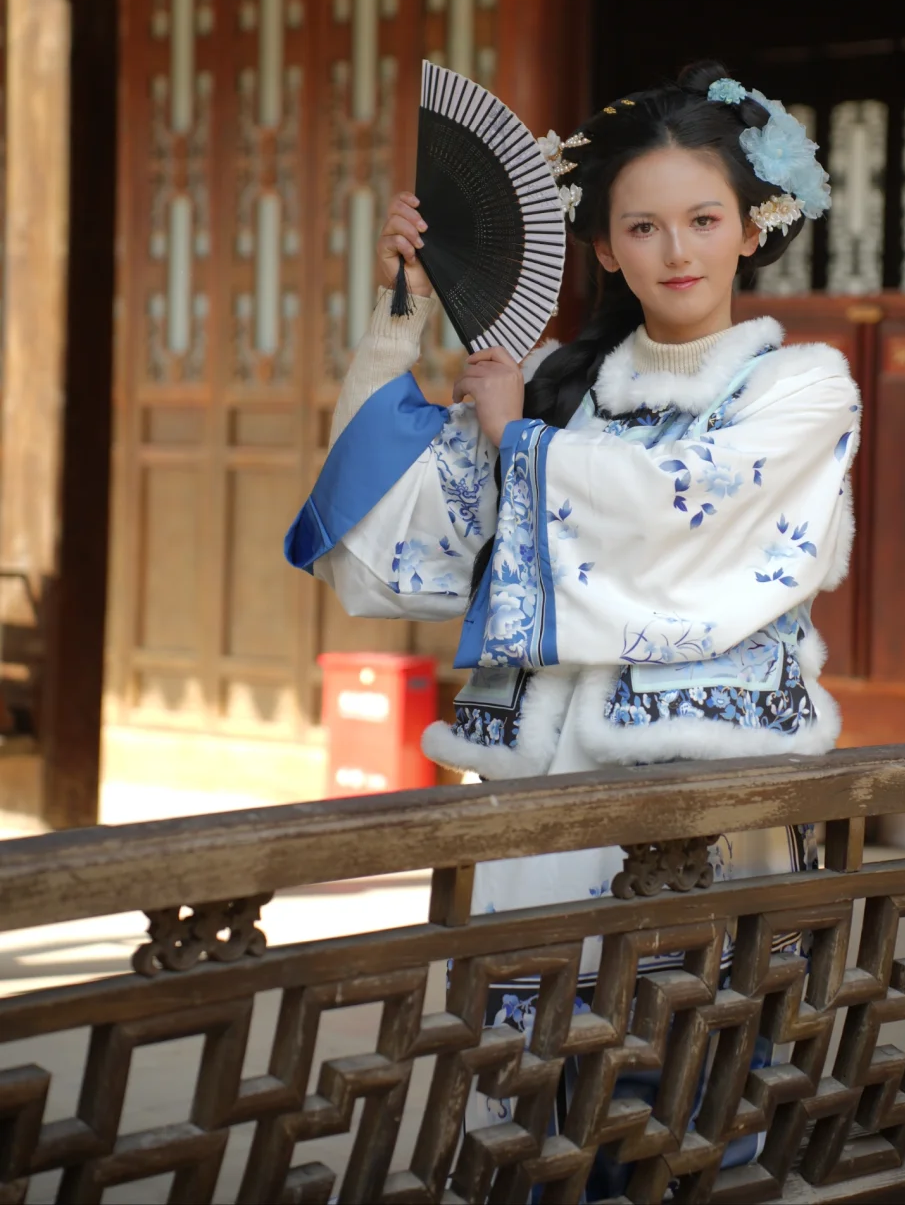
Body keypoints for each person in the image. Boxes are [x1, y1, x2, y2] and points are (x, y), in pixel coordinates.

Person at [285, 59, 859, 1161]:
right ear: (603, 246)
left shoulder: (799, 391)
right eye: (642, 228)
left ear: (753, 227)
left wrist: (520, 445)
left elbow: (679, 525)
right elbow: (400, 548)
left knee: (686, 1114)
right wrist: (401, 317)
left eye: (702, 219)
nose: (676, 251)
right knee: (535, 1118)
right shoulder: (550, 382)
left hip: (695, 815)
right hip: (536, 817)